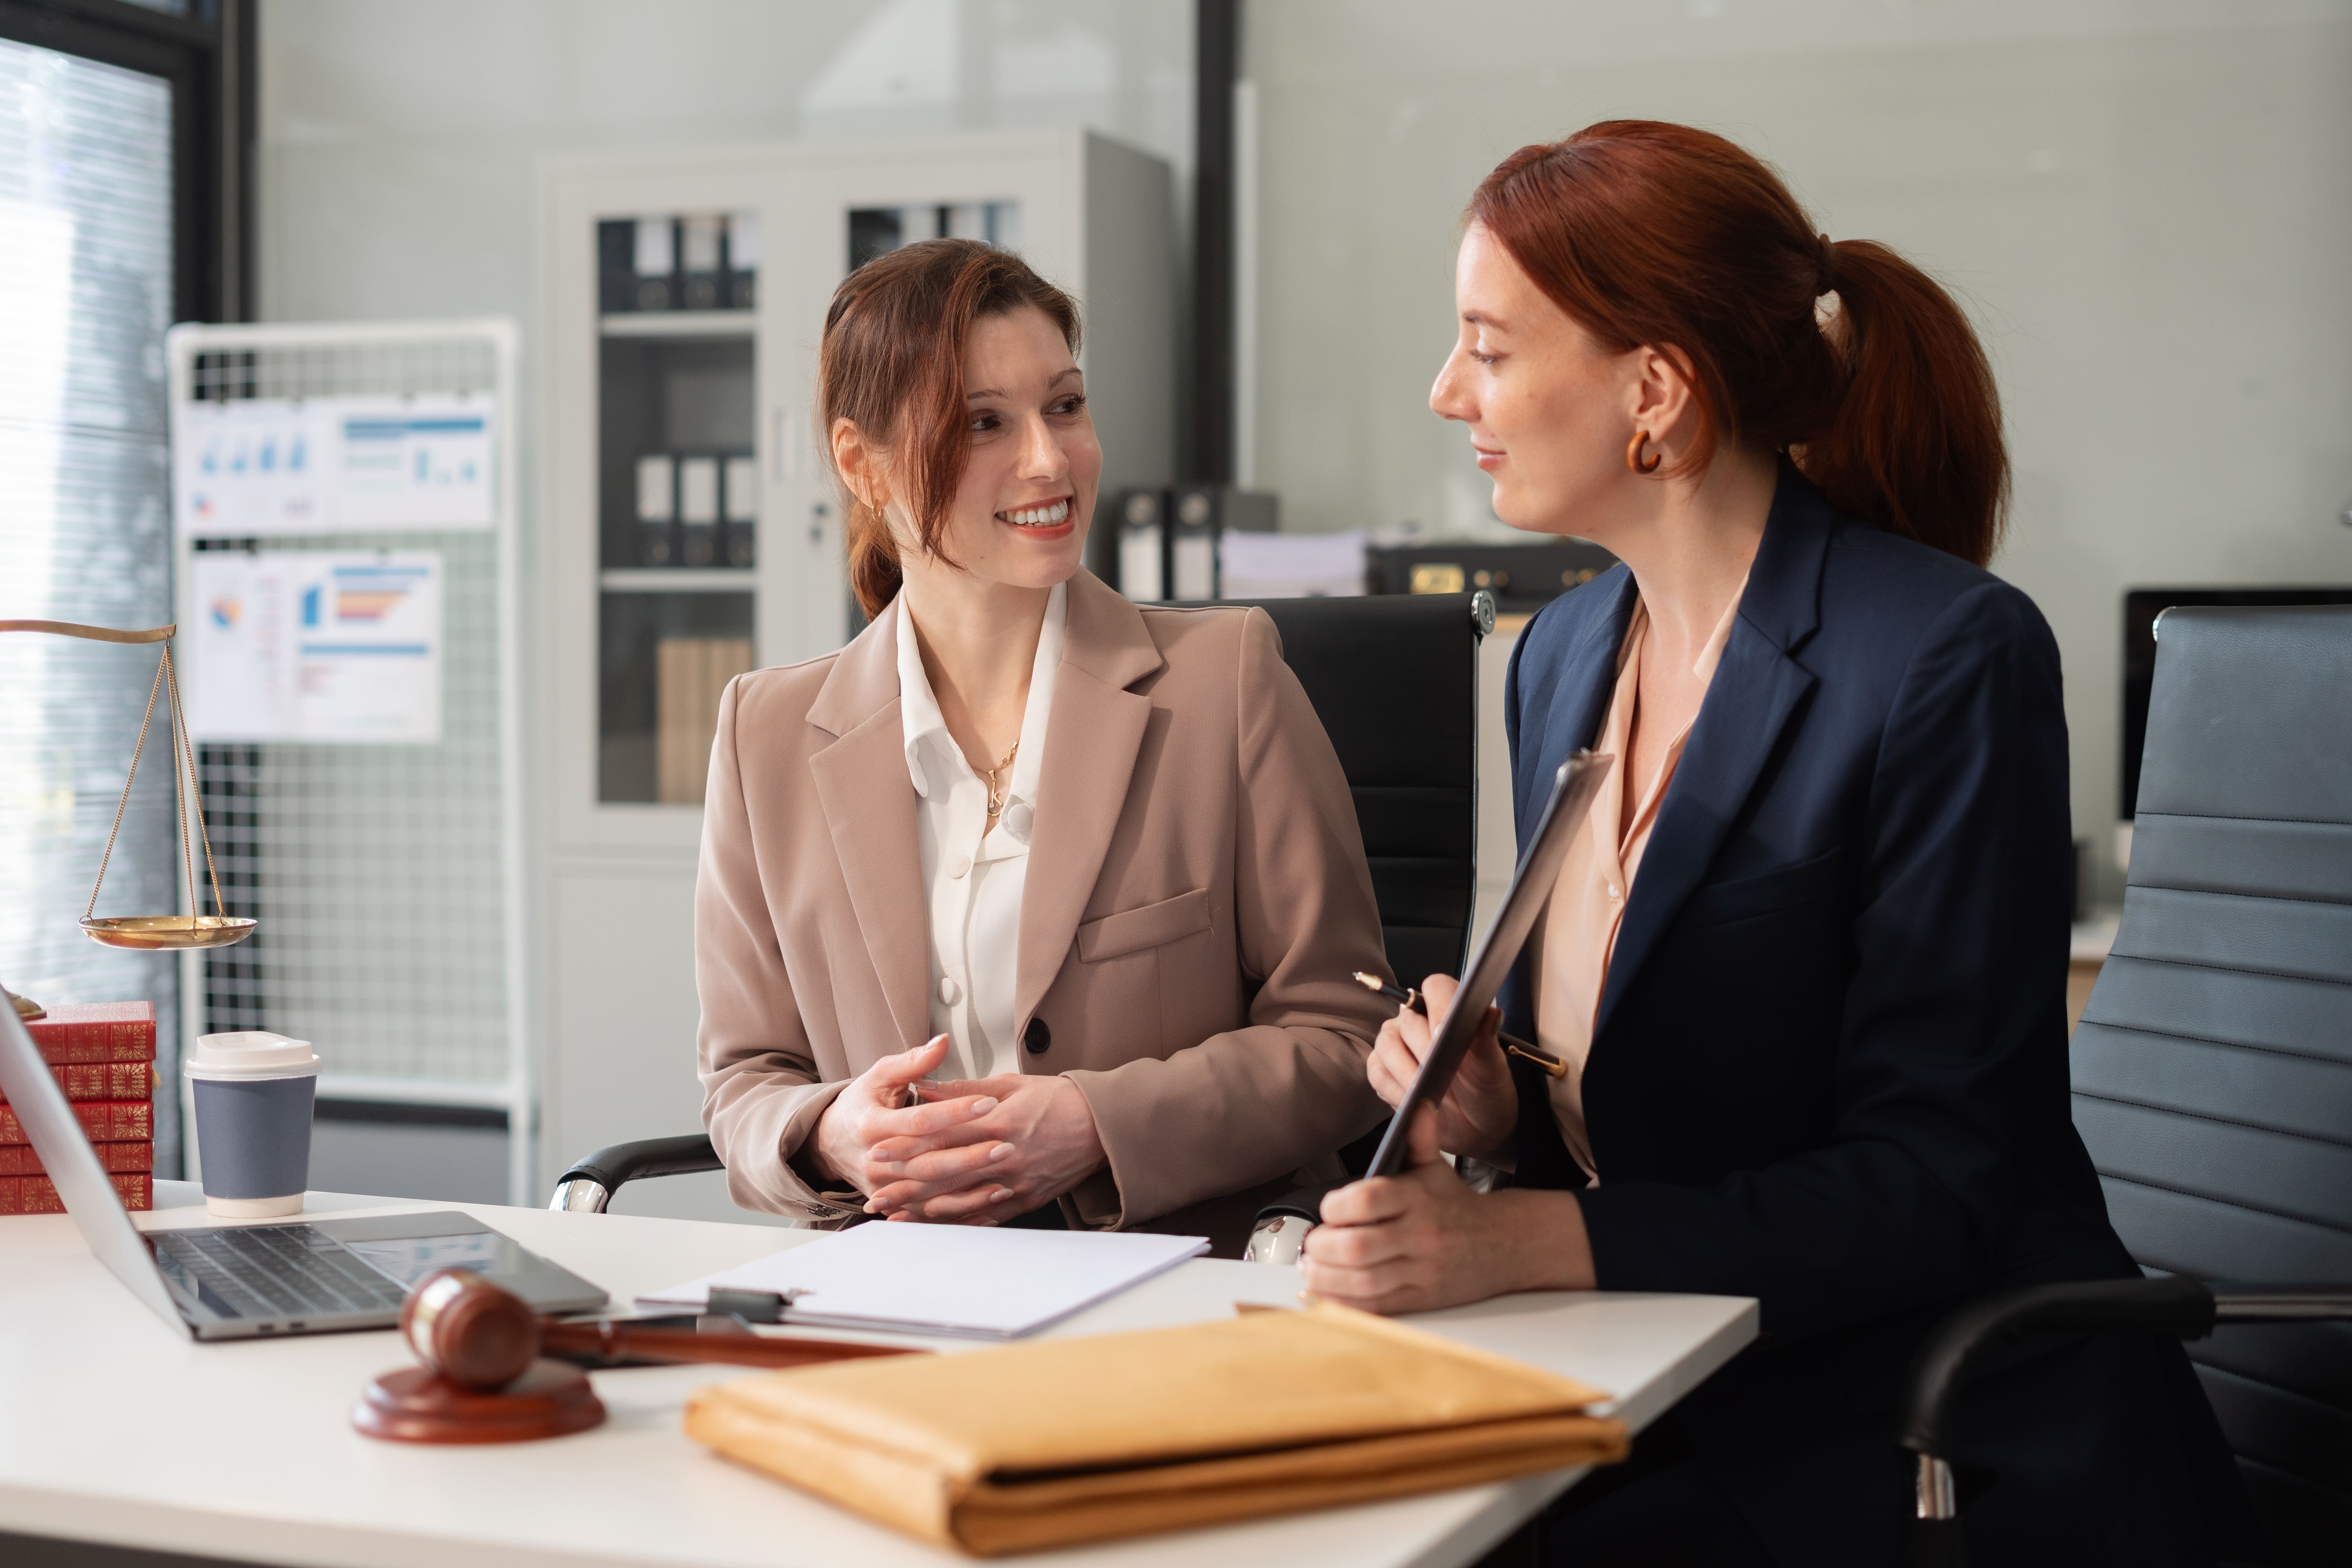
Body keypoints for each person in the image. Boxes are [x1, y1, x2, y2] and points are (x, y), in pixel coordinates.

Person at [1301, 123, 2256, 1564]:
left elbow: (1938, 1180)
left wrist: (1522, 1244)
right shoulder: (1559, 655)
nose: (1448, 393)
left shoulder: (1942, 656)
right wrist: (1501, 1119)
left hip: (1917, 1421)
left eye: (1488, 349)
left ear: (1656, 391)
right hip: (1658, 1376)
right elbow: (1661, 1120)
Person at [694, 238, 1390, 1253]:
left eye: (1063, 405)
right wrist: (829, 1133)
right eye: (984, 423)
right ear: (860, 462)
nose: (1048, 459)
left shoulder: (1224, 682)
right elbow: (744, 1080)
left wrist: (1095, 1124)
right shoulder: (763, 734)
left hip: (1165, 1286)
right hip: (890, 1293)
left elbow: (1347, 1038)